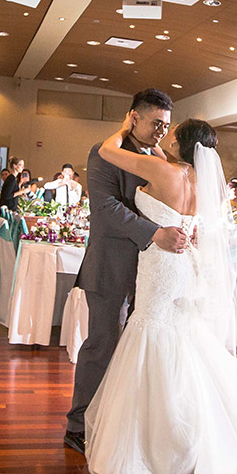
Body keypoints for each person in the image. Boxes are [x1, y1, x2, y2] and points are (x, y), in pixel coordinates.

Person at [80, 111, 237, 474]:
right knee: (182, 340)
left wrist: (126, 127)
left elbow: (108, 151)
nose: (164, 137)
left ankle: (159, 450)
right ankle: (195, 443)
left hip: (161, 264)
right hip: (186, 265)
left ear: (179, 145)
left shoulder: (162, 172)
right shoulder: (198, 180)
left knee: (150, 333)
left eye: (170, 134)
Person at [64, 89, 191, 454]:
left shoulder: (160, 157)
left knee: (137, 352)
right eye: (155, 124)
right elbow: (105, 208)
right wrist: (154, 233)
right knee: (102, 346)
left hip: (152, 274)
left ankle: (120, 424)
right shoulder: (104, 154)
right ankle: (78, 424)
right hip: (112, 266)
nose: (160, 133)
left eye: (165, 127)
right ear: (133, 117)